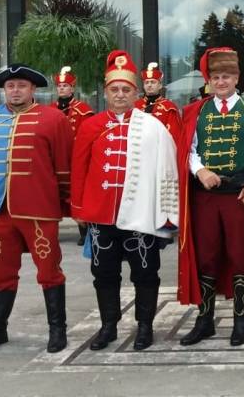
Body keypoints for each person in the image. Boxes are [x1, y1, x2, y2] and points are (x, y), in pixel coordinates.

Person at [71, 51, 179, 352]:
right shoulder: (91, 125)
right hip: (101, 214)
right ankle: (108, 326)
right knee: (104, 274)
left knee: (145, 272)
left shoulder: (152, 126)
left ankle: (145, 326)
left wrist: (166, 213)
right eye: (114, 89)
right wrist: (78, 208)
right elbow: (79, 168)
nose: (120, 95)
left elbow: (167, 168)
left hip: (141, 214)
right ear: (106, 93)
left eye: (126, 90)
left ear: (135, 93)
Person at [0, 64, 73, 355]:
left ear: (33, 89)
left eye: (21, 85)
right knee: (2, 272)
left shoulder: (53, 118)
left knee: (49, 271)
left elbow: (64, 164)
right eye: (10, 86)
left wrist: (64, 203)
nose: (15, 91)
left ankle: (57, 330)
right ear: (4, 89)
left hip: (39, 209)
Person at [178, 47, 244, 348]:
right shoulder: (198, 111)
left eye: (227, 77)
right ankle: (204, 319)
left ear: (237, 78)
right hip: (205, 197)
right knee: (206, 256)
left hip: (237, 195)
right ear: (209, 80)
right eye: (216, 77)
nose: (221, 82)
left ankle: (240, 320)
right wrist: (200, 170)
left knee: (238, 255)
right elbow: (188, 149)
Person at [53, 66, 94, 246]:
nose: (62, 88)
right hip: (55, 160)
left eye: (65, 86)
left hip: (75, 160)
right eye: (59, 86)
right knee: (53, 196)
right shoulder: (50, 109)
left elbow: (88, 137)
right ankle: (51, 231)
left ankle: (84, 232)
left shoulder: (83, 110)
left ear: (72, 88)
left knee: (78, 194)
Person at [134, 61, 182, 139]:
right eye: (146, 83)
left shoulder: (169, 107)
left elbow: (174, 135)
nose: (149, 85)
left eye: (153, 82)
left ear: (160, 85)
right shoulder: (135, 106)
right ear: (143, 86)